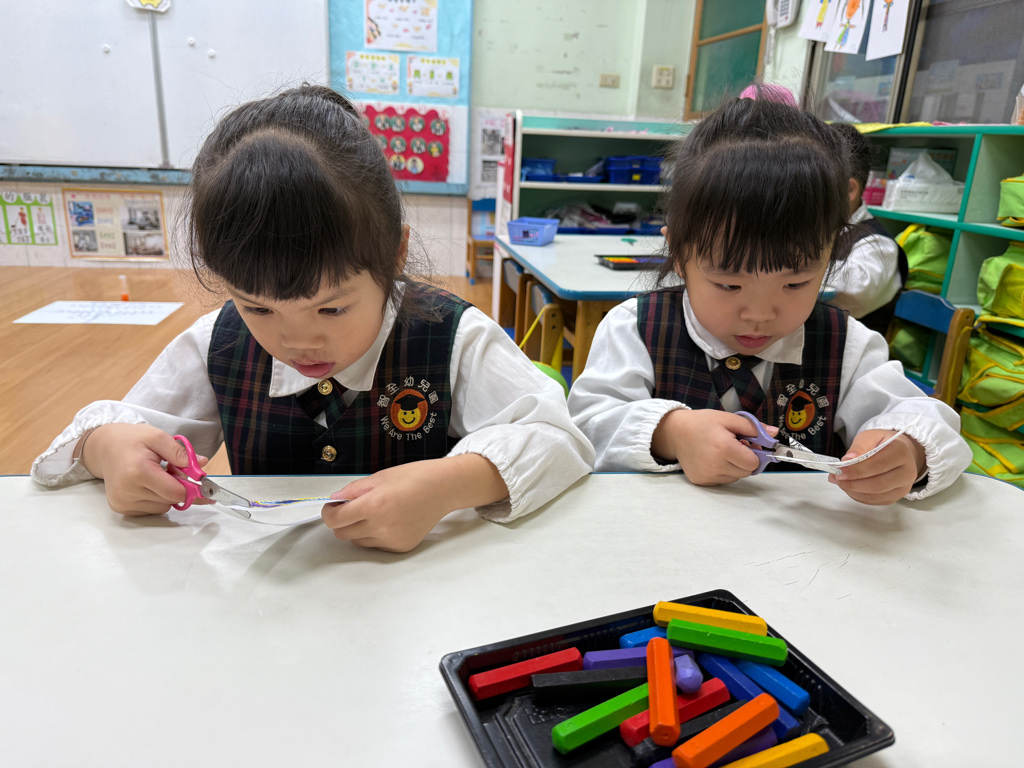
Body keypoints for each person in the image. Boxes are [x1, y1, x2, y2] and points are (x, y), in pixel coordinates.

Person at [32, 84, 594, 552]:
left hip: (419, 607)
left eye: (331, 307)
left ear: (393, 256)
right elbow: (96, 442)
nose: (297, 339)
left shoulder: (452, 338)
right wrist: (108, 449)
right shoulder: (218, 343)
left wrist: (449, 484)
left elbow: (559, 438)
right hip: (269, 611)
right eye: (258, 307)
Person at [567, 97, 971, 505]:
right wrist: (671, 432)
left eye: (795, 283)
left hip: (806, 544)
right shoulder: (635, 328)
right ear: (679, 256)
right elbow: (587, 426)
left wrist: (908, 450)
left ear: (830, 255)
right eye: (729, 285)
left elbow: (925, 420)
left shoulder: (847, 344)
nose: (759, 314)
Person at [826, 122, 907, 335]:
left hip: (846, 352)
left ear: (849, 190)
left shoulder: (878, 245)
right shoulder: (815, 229)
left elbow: (856, 290)